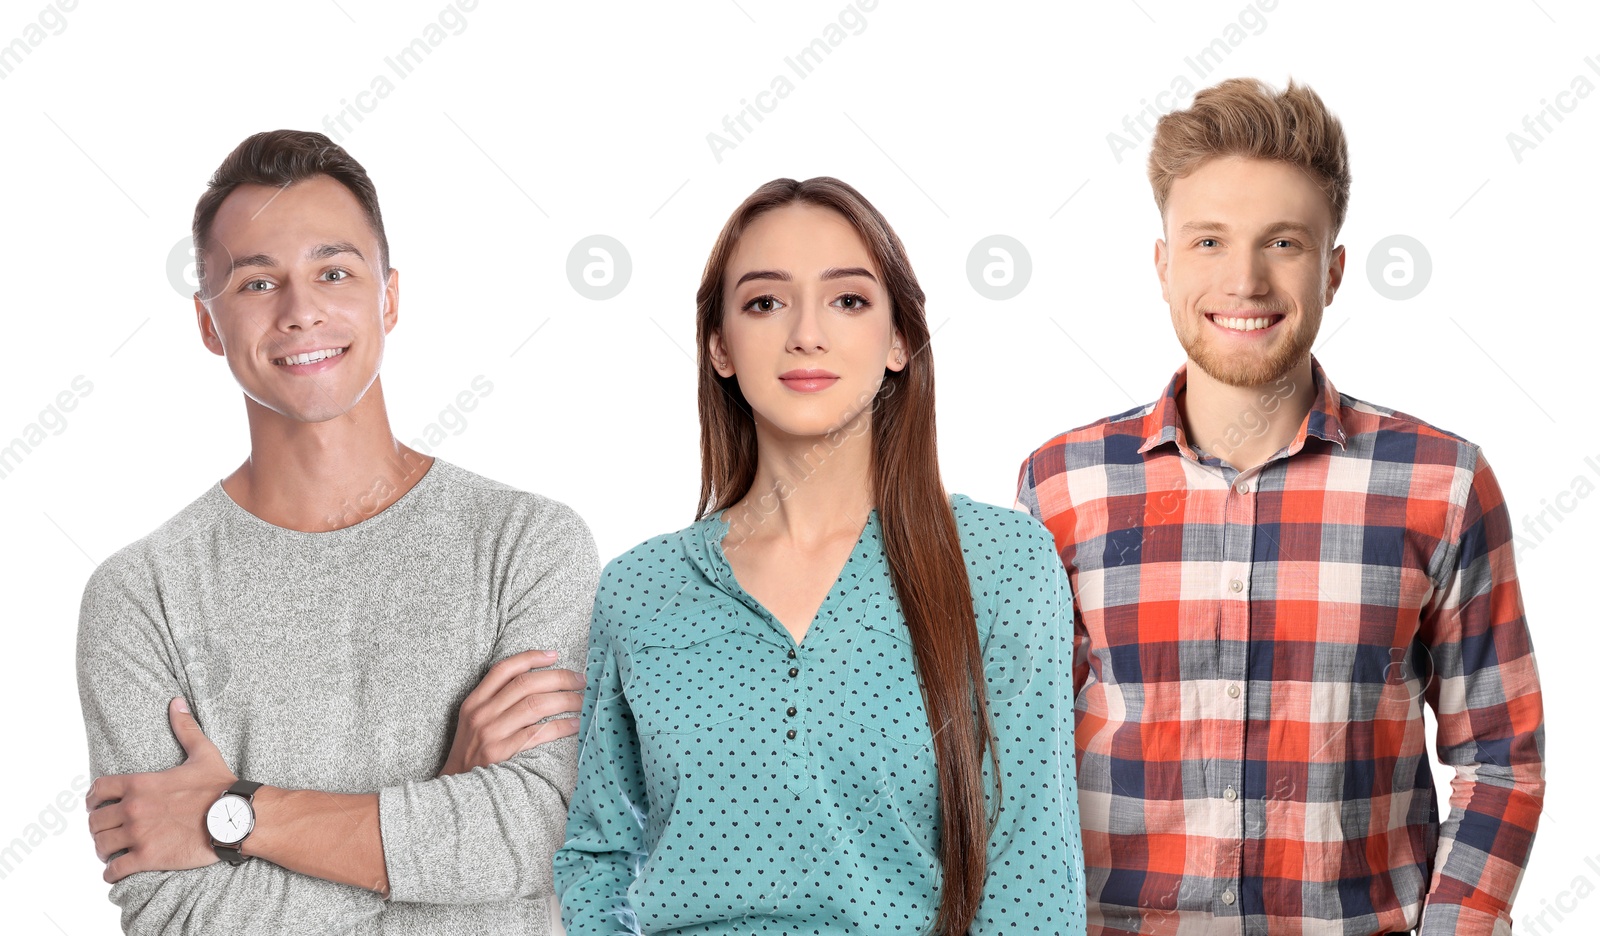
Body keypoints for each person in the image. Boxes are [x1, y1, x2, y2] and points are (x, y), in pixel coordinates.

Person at [1015, 78, 1545, 936]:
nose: (1246, 279)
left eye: (1284, 242)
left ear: (1333, 270)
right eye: (1209, 241)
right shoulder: (1059, 486)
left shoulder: (1443, 485)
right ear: (1163, 266)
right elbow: (1013, 761)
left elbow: (1500, 761)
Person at [76, 130, 597, 934]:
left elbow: (533, 838)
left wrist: (239, 820)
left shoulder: (527, 546)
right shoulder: (140, 598)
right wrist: (440, 815)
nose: (301, 310)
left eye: (333, 271)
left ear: (388, 297)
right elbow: (180, 915)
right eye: (256, 282)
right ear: (209, 324)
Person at [554, 177, 1085, 934]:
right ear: (720, 347)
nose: (806, 333)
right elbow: (599, 855)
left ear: (900, 339)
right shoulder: (640, 590)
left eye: (848, 300)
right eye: (765, 302)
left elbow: (1031, 884)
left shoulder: (1001, 566)